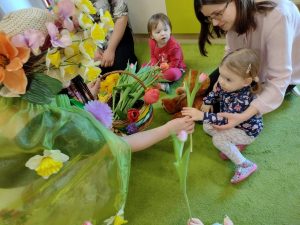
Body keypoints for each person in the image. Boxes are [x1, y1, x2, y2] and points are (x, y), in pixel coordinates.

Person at [0, 7, 194, 225]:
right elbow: (119, 145)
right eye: (71, 57)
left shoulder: (14, 98)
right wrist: (169, 128)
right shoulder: (56, 121)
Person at [193, 0, 300, 130]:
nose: (214, 23)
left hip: (278, 77)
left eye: (217, 13)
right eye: (210, 17)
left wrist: (244, 116)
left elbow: (279, 79)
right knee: (203, 96)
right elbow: (232, 52)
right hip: (246, 65)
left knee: (223, 110)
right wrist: (218, 84)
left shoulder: (278, 16)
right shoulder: (236, 12)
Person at [182, 48, 263, 184]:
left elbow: (225, 119)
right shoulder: (223, 84)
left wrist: (201, 115)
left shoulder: (242, 99)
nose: (222, 81)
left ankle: (245, 164)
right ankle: (234, 144)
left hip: (246, 131)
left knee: (218, 140)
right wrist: (207, 102)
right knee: (207, 127)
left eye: (228, 79)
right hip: (233, 124)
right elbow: (216, 92)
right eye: (221, 75)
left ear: (246, 81)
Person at [92, 0, 138, 73]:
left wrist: (110, 50)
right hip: (92, 39)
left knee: (122, 71)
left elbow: (121, 17)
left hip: (116, 32)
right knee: (97, 75)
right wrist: (92, 50)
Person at [147, 13, 186, 93]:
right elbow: (153, 57)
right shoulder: (152, 42)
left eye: (165, 30)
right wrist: (154, 66)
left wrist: (165, 68)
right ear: (152, 35)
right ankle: (160, 84)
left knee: (173, 74)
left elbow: (175, 62)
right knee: (145, 67)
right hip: (159, 66)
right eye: (158, 32)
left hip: (175, 67)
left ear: (170, 30)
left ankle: (156, 82)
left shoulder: (174, 46)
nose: (163, 33)